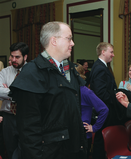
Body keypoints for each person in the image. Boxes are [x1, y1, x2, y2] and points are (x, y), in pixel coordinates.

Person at [9, 21, 87, 159]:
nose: (73, 43)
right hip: (49, 153)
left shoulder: (70, 70)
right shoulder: (32, 73)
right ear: (54, 41)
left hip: (71, 150)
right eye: (69, 38)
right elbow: (28, 129)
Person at [87, 42, 117, 159]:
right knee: (101, 139)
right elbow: (101, 93)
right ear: (103, 52)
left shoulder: (100, 66)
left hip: (103, 108)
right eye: (111, 52)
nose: (113, 55)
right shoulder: (100, 68)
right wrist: (115, 100)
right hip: (104, 108)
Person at [0, 42, 29, 159]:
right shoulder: (5, 72)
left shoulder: (32, 72)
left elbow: (31, 94)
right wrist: (17, 93)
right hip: (8, 118)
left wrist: (8, 90)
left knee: (25, 150)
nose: (13, 60)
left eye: (17, 57)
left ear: (25, 57)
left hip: (26, 117)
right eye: (12, 56)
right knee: (10, 150)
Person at [75, 63, 109, 158]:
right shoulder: (69, 90)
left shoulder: (86, 91)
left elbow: (104, 109)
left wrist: (94, 128)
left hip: (83, 136)